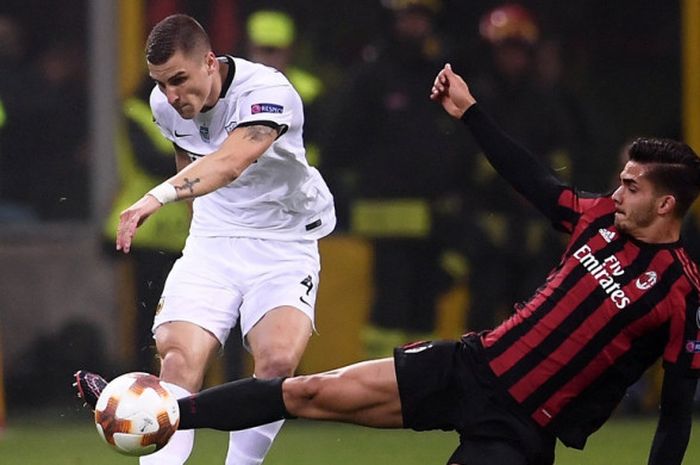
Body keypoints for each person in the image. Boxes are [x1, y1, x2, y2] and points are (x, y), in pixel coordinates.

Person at [77, 64, 700, 465]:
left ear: (666, 203)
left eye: (631, 188)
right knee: (307, 391)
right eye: (619, 183)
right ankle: (158, 411)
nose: (616, 194)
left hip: (519, 429)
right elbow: (530, 176)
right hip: (469, 365)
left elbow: (677, 412)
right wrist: (471, 113)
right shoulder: (593, 218)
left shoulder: (679, 292)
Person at [77, 14, 335, 465]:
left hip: (284, 241)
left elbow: (230, 162)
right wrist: (198, 232)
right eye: (161, 84)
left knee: (275, 366)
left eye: (179, 79)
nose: (172, 96)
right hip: (213, 240)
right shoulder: (163, 105)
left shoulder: (268, 92)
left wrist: (155, 197)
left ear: (210, 63)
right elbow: (189, 157)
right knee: (177, 362)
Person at [323, 0, 468, 357]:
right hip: (385, 212)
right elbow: (340, 142)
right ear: (393, 20)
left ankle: (423, 385)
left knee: (425, 302)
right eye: (409, 17)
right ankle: (379, 378)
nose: (415, 26)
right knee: (390, 301)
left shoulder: (438, 75)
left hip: (433, 213)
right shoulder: (372, 76)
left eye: (422, 17)